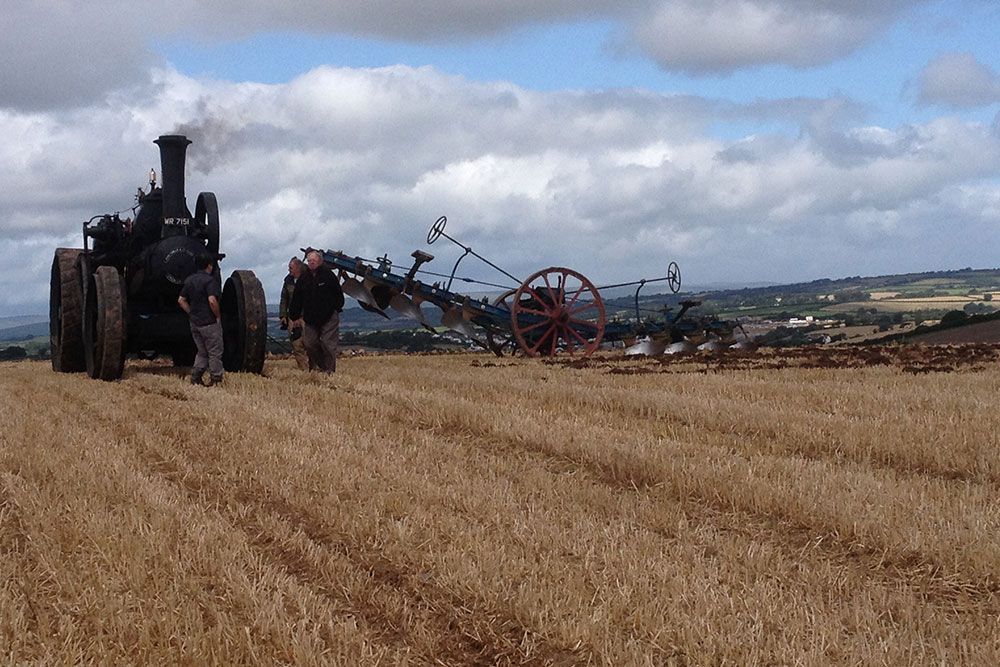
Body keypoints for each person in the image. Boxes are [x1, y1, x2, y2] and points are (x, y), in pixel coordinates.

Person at [289, 250, 344, 373]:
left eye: (313, 260)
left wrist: (336, 308)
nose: (311, 263)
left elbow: (338, 294)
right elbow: (297, 298)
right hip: (310, 318)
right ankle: (322, 366)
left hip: (329, 316)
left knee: (327, 344)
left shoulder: (328, 276)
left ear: (320, 261)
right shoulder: (304, 278)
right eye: (309, 261)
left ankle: (329, 372)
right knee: (309, 344)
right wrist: (294, 316)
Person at [178, 253, 224, 386]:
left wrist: (191, 313)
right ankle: (216, 380)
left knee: (202, 352)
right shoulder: (209, 281)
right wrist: (217, 315)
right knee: (215, 352)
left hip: (195, 323)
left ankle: (196, 377)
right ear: (209, 265)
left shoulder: (189, 280)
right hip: (208, 322)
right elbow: (212, 301)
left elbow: (181, 300)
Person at [278, 257, 310, 370]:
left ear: (298, 268)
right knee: (296, 345)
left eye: (291, 268)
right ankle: (304, 371)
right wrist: (283, 316)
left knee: (310, 343)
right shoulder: (288, 281)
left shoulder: (309, 279)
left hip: (307, 317)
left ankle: (315, 369)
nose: (289, 270)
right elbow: (284, 299)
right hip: (292, 317)